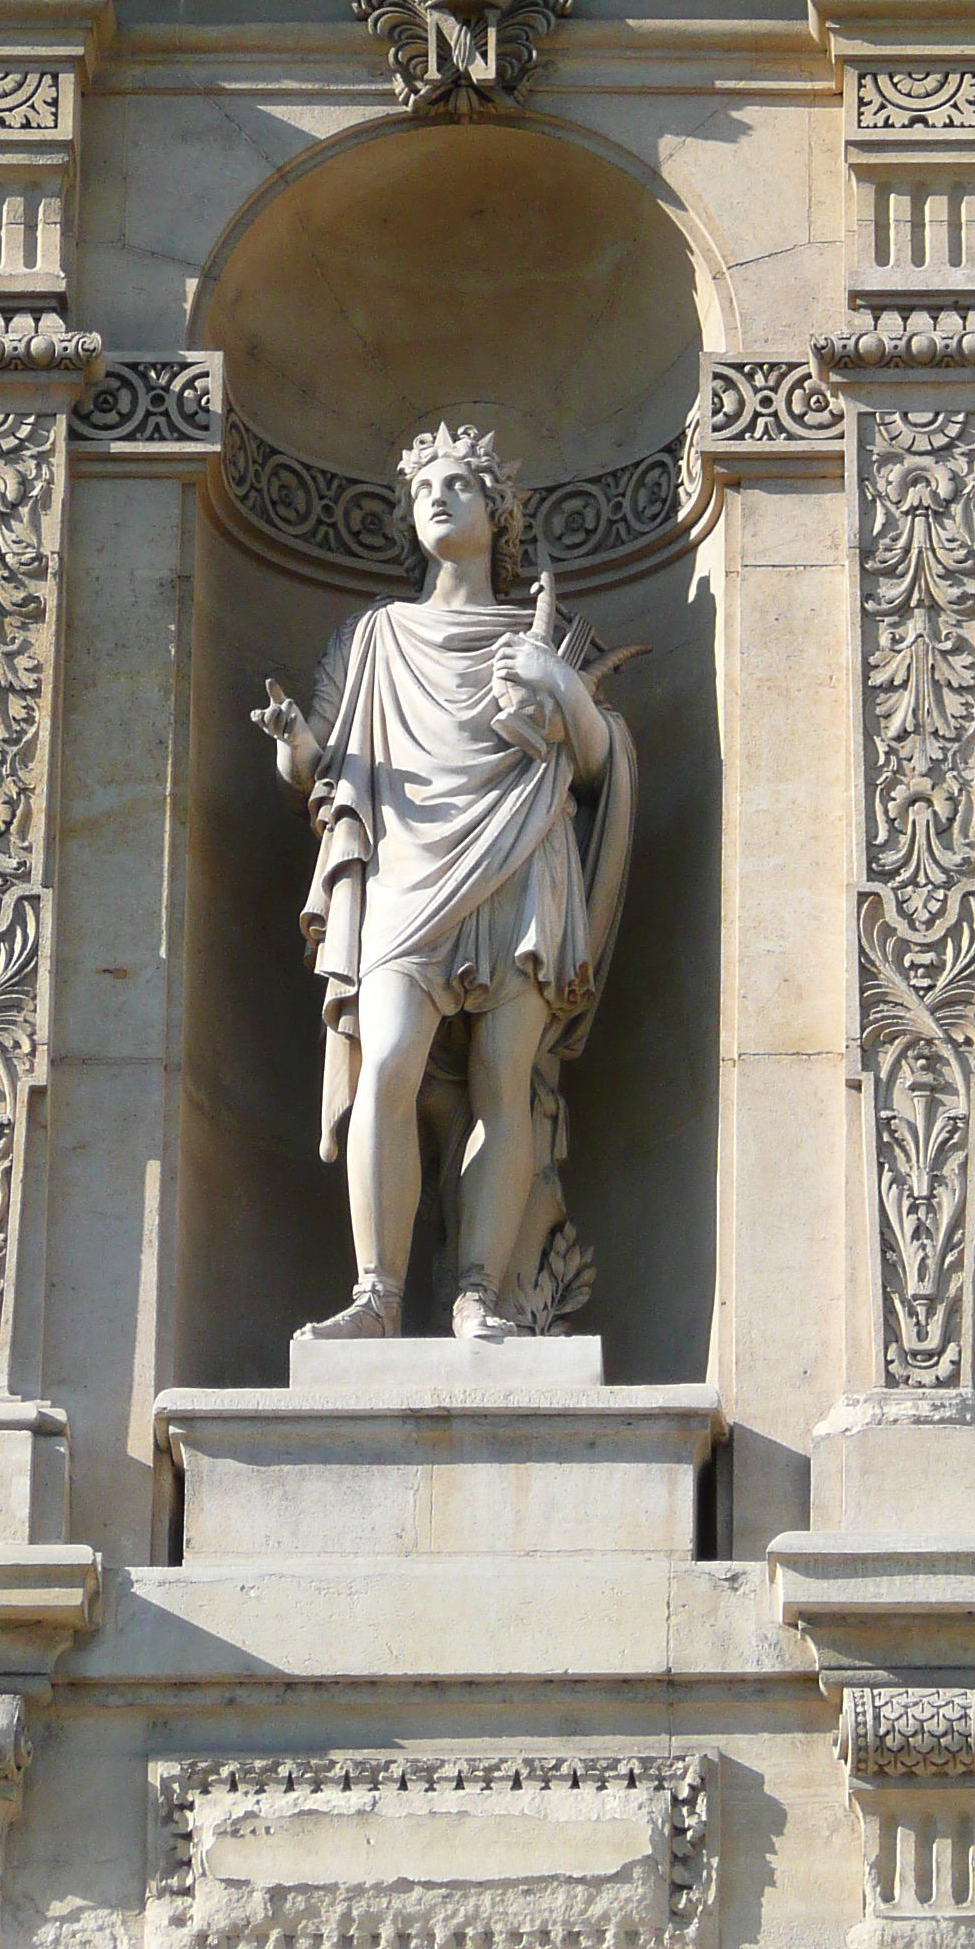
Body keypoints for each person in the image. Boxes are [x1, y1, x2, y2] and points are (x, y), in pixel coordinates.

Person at [253, 422, 634, 1341]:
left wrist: (563, 687)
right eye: (425, 485)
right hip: (405, 862)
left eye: (461, 483)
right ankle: (377, 1296)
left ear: (498, 512)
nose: (439, 497)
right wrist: (296, 747)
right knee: (384, 1063)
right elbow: (328, 771)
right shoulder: (373, 638)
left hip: (522, 859)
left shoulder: (543, 634)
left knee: (507, 1080)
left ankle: (477, 1293)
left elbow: (596, 766)